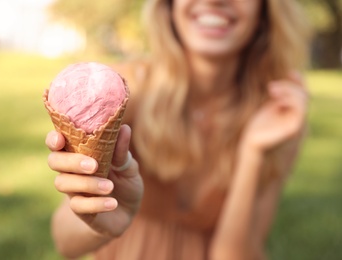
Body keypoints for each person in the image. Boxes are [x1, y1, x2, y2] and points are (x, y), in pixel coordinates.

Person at [45, 0, 310, 259]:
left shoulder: (274, 119)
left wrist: (253, 152)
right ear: (169, 6)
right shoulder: (125, 94)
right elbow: (66, 242)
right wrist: (98, 219)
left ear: (264, 12)